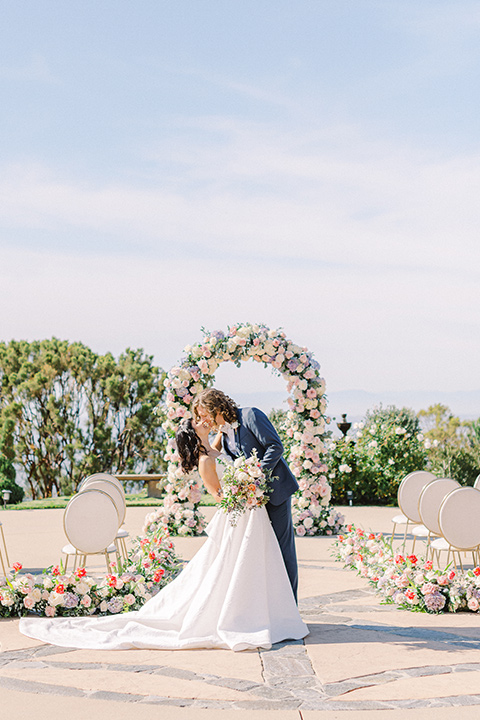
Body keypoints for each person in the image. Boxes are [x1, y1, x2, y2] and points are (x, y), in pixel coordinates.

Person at [19, 417, 308, 652]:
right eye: (197, 422)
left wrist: (247, 483)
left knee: (248, 565)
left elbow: (232, 448)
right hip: (238, 513)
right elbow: (220, 494)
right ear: (194, 435)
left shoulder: (218, 443)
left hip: (248, 510)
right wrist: (242, 490)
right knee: (231, 569)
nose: (202, 420)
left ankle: (265, 612)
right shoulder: (206, 460)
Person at [192, 388, 299, 601]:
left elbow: (275, 447)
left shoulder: (251, 415)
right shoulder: (223, 433)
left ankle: (291, 606)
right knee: (261, 552)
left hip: (276, 492)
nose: (203, 420)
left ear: (216, 408)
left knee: (282, 549)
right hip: (252, 501)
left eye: (204, 414)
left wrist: (256, 475)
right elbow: (216, 458)